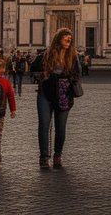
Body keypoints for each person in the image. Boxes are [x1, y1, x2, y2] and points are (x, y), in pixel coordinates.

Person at [33, 28, 80, 168]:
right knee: (43, 125)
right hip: (45, 92)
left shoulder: (73, 56)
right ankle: (44, 157)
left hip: (63, 93)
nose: (68, 41)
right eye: (65, 38)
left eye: (70, 39)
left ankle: (57, 155)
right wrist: (41, 76)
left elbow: (77, 74)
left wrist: (69, 81)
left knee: (60, 128)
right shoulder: (46, 55)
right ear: (58, 39)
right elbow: (34, 69)